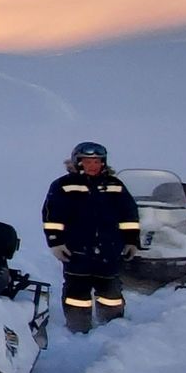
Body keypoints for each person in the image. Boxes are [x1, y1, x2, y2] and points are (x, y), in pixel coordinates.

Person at [42, 141, 141, 333]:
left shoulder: (115, 185)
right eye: (88, 162)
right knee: (77, 293)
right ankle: (78, 328)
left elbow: (129, 215)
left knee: (110, 290)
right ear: (77, 162)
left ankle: (112, 327)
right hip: (76, 250)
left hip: (109, 249)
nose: (93, 166)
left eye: (97, 162)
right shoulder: (63, 186)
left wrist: (131, 241)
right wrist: (56, 242)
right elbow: (52, 216)